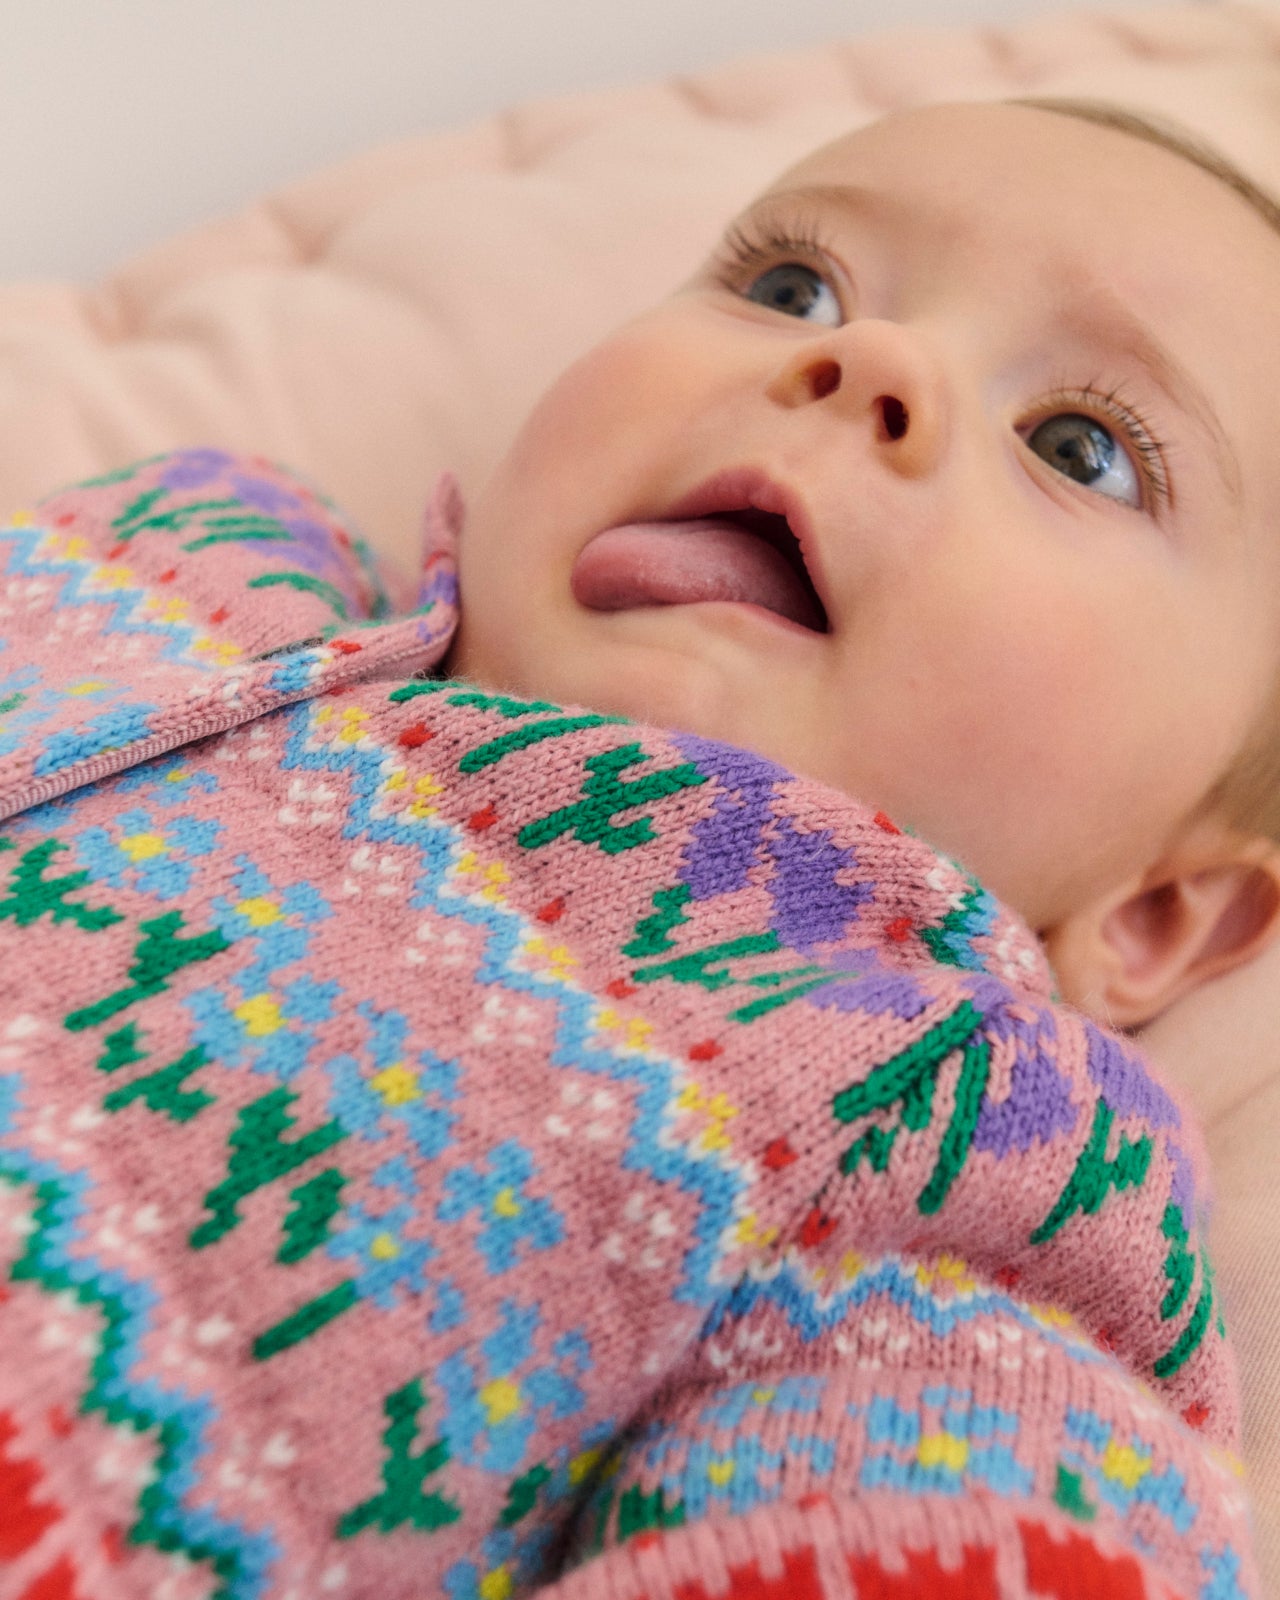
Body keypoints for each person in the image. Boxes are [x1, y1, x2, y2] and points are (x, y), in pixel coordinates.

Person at [0, 99, 1272, 1600]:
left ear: (1164, 918)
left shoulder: (969, 1126)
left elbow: (960, 1523)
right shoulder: (191, 555)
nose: (864, 360)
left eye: (1084, 447)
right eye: (792, 286)